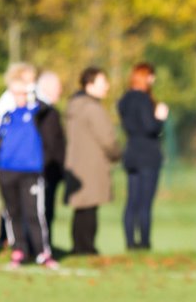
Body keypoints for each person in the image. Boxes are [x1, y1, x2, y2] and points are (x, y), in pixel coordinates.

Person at [0, 64, 57, 269]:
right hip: (7, 169)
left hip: (30, 170)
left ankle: (42, 252)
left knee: (34, 213)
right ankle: (18, 250)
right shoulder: (6, 114)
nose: (20, 96)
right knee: (13, 213)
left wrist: (32, 91)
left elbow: (46, 107)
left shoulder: (36, 111)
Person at [65, 67, 123, 256]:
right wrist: (117, 153)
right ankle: (86, 248)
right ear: (90, 85)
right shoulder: (92, 108)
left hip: (77, 163)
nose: (106, 86)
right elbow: (107, 138)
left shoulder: (74, 106)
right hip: (92, 164)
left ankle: (79, 245)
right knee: (89, 208)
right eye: (102, 82)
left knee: (82, 209)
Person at [118, 62, 170, 250]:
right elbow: (150, 127)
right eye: (151, 76)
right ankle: (144, 243)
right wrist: (160, 118)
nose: (153, 80)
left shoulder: (124, 100)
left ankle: (130, 242)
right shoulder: (144, 100)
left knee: (132, 201)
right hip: (147, 155)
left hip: (131, 153)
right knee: (145, 203)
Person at [34, 71, 67, 254]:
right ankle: (42, 248)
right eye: (57, 87)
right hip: (45, 170)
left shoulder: (47, 110)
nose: (60, 90)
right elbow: (51, 144)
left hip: (50, 170)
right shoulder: (43, 111)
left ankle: (45, 246)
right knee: (43, 211)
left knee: (47, 211)